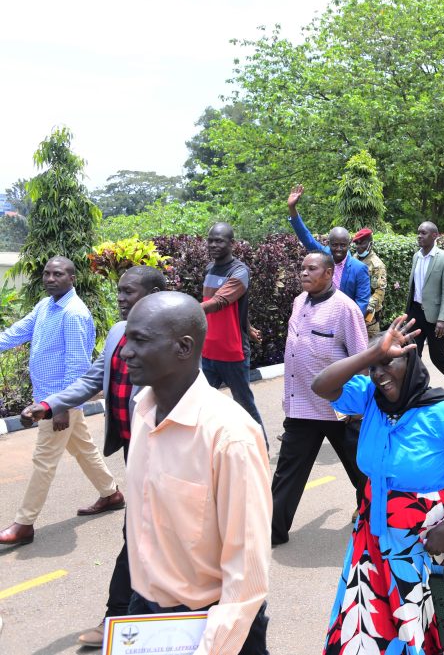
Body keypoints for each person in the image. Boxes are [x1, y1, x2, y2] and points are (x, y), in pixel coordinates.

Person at [311, 316, 444, 655]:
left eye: (387, 363)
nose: (379, 375)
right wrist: (370, 356)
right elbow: (321, 386)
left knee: (419, 624)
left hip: (426, 542)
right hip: (371, 536)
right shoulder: (370, 398)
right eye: (373, 368)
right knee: (368, 625)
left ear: (410, 361)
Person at [22, 266, 166, 647]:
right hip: (135, 450)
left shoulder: (172, 338)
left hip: (167, 454)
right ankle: (134, 616)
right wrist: (50, 403)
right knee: (143, 536)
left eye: (128, 292)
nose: (119, 299)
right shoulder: (118, 333)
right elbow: (92, 379)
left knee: (139, 535)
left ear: (152, 294)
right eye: (118, 291)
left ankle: (121, 618)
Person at [121, 292, 272, 654]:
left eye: (140, 340)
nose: (126, 352)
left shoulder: (230, 436)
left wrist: (212, 647)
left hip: (213, 626)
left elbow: (246, 572)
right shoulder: (142, 411)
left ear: (184, 348)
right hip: (146, 612)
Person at [0, 257, 121, 548]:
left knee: (43, 461)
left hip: (56, 403)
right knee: (83, 448)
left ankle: (24, 523)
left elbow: (77, 367)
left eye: (58, 274)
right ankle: (111, 494)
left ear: (72, 279)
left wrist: (61, 407)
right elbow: (17, 332)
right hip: (49, 400)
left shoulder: (74, 313)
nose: (50, 278)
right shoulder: (45, 306)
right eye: (47, 273)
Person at [271, 252, 369, 547]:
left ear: (329, 273)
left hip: (340, 408)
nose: (304, 273)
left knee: (362, 470)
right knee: (287, 473)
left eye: (311, 268)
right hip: (301, 405)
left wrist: (360, 409)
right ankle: (272, 530)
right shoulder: (299, 302)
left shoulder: (345, 309)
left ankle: (374, 519)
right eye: (301, 268)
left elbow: (361, 360)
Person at [199, 223, 266, 443]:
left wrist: (186, 309)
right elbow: (235, 307)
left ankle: (260, 448)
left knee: (244, 403)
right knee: (200, 403)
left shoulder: (239, 271)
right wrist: (249, 327)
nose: (213, 245)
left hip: (233, 352)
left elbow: (221, 301)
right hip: (208, 350)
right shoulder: (209, 269)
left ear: (232, 244)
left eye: (219, 240)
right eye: (210, 240)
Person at [286, 184, 372, 314]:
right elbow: (305, 236)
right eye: (334, 245)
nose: (338, 249)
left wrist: (348, 324)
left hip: (344, 321)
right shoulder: (323, 256)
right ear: (328, 243)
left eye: (342, 245)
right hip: (320, 316)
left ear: (348, 244)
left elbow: (362, 302)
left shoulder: (359, 269)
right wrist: (292, 208)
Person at [407, 221, 444, 381]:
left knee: (438, 358)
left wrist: (442, 318)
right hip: (415, 313)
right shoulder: (417, 256)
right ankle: (418, 389)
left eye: (423, 233)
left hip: (436, 317)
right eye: (419, 232)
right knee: (412, 356)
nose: (419, 236)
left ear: (434, 235)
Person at [351, 227, 388, 338]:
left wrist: (365, 310)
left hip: (369, 318)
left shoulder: (377, 265)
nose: (358, 247)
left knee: (370, 350)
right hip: (352, 312)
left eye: (362, 243)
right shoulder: (353, 259)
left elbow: (379, 292)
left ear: (370, 244)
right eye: (357, 243)